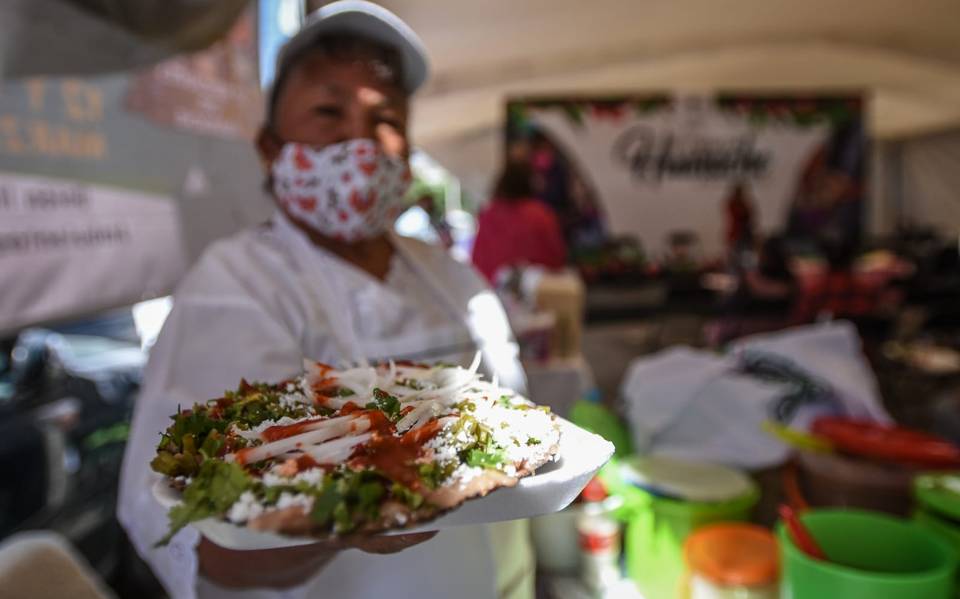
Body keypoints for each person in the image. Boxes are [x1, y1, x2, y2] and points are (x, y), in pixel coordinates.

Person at [118, 3, 532, 598]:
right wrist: (341, 521)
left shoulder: (454, 277)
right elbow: (188, 529)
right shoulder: (235, 285)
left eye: (385, 118)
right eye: (327, 110)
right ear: (269, 147)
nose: (360, 141)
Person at [471, 161, 567, 283]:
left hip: (493, 291)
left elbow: (477, 261)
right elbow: (556, 258)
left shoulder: (489, 214)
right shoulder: (541, 215)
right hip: (536, 293)